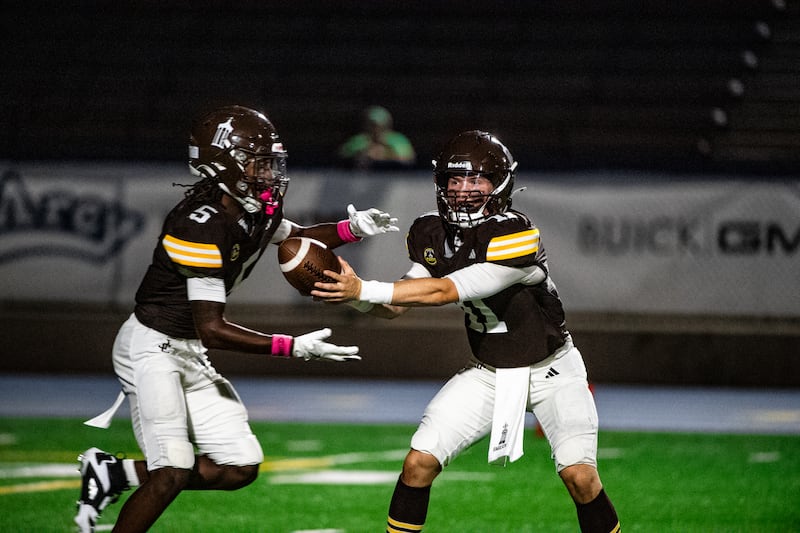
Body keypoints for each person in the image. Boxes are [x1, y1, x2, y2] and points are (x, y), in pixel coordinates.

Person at [73, 105, 399, 533]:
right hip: (152, 347)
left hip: (188, 348)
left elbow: (292, 238)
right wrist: (292, 347)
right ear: (223, 164)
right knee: (171, 470)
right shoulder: (197, 225)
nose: (268, 173)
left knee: (239, 466)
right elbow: (213, 328)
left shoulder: (253, 205)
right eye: (258, 163)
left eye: (270, 163)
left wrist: (350, 229)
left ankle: (113, 474)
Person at [314, 130, 621, 532]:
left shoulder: (515, 232)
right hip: (488, 374)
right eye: (454, 181)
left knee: (580, 478)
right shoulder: (430, 231)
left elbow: (447, 290)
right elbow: (398, 304)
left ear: (500, 185)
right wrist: (352, 297)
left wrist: (365, 287)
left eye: (476, 180)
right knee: (418, 462)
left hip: (553, 372)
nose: (463, 191)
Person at [337, 105, 416, 170]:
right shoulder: (358, 140)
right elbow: (344, 156)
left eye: (379, 125)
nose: (376, 129)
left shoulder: (398, 140)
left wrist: (386, 152)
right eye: (371, 125)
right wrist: (366, 153)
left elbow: (406, 159)